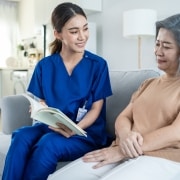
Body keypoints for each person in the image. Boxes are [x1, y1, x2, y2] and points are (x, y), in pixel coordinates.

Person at [47, 14, 180, 180]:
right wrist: (124, 135)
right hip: (124, 150)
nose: (157, 51)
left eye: (166, 47)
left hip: (162, 157)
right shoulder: (148, 83)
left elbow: (176, 132)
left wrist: (121, 150)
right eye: (157, 44)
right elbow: (124, 116)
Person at [2, 2, 112, 180]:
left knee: (49, 144)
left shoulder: (98, 65)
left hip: (85, 134)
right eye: (74, 31)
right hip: (51, 127)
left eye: (85, 29)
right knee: (21, 135)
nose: (82, 36)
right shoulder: (45, 66)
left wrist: (74, 129)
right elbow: (41, 101)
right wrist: (39, 109)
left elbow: (96, 109)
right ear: (58, 34)